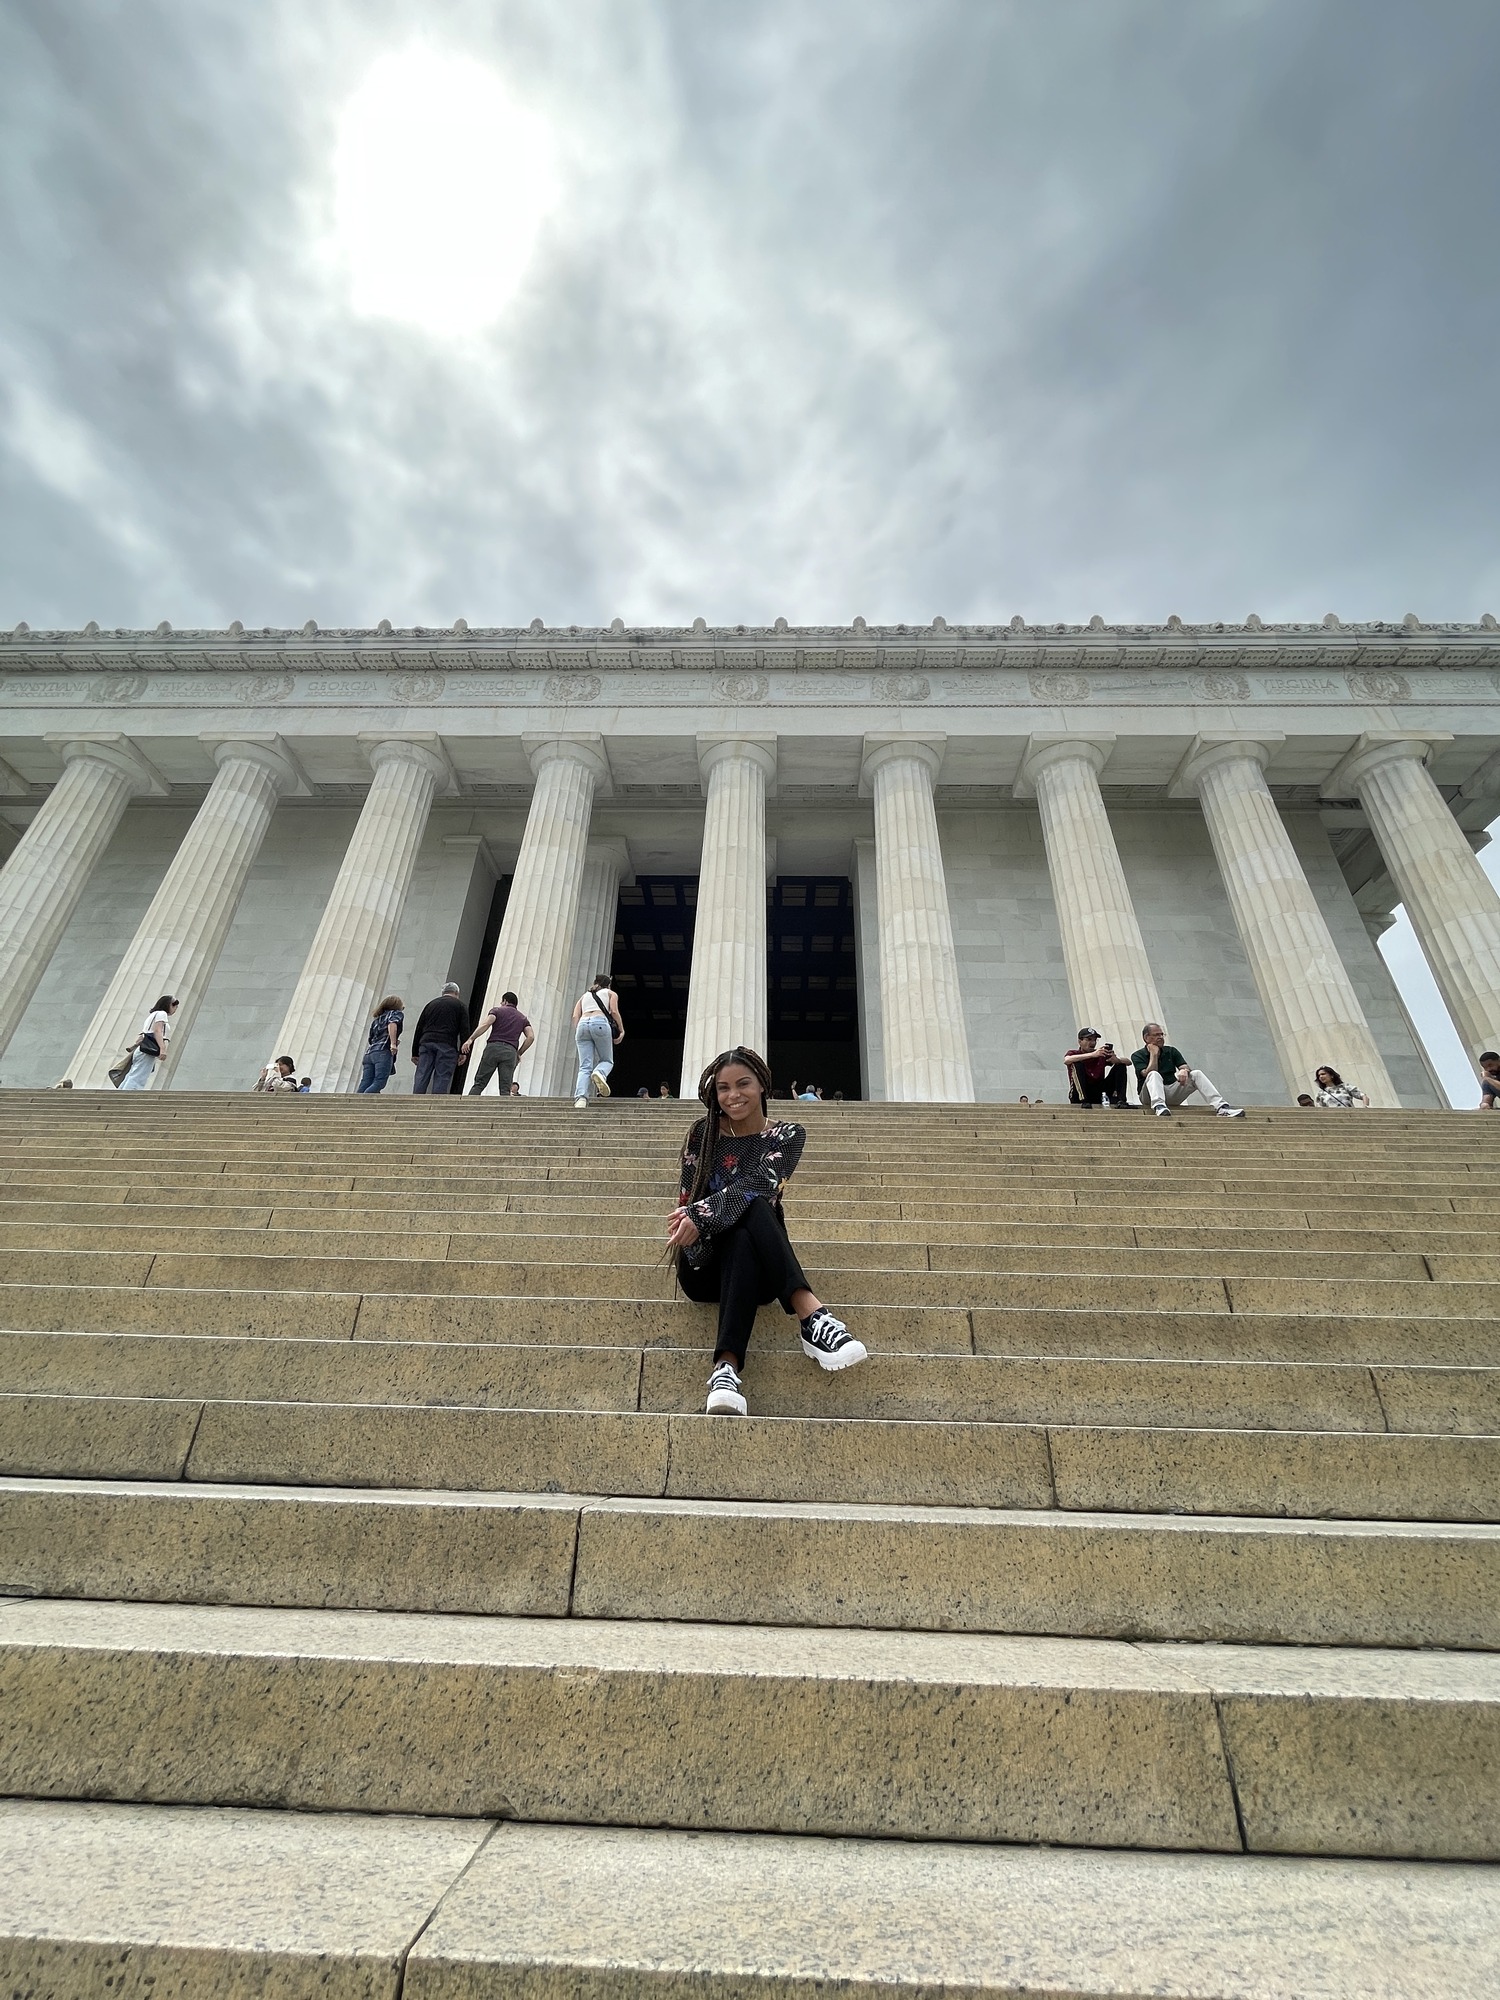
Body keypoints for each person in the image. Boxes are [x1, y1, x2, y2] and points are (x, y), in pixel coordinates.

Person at [667, 1046, 867, 1417]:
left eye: (743, 1084)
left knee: (753, 1206)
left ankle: (726, 1370)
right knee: (750, 1204)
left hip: (757, 1274)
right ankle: (811, 1316)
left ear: (762, 1086)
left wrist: (702, 1215)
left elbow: (759, 1183)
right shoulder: (702, 1134)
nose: (733, 1096)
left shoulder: (788, 1136)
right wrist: (694, 1220)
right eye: (723, 1088)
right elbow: (686, 1210)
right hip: (702, 1266)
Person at [1130, 1023, 1244, 1118]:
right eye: (1156, 1035)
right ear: (1146, 1038)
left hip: (1171, 1091)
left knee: (1196, 1073)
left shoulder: (1171, 1051)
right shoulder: (1137, 1055)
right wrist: (1153, 1054)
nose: (1160, 1037)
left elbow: (1185, 1066)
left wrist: (1184, 1070)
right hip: (1148, 1097)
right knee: (1154, 1074)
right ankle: (1159, 1106)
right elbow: (1147, 1074)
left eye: (1161, 1034)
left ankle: (1222, 1107)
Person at [462, 990, 534, 1097]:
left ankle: (466, 1107)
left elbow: (486, 1024)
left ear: (505, 1001)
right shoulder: (522, 1018)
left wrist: (471, 1039)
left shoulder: (497, 1011)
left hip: (493, 1048)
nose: (501, 1004)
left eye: (502, 1002)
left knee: (479, 1083)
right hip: (510, 1052)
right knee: (505, 1089)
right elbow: (531, 1037)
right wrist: (519, 1053)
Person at [572, 973, 623, 1107]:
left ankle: (581, 1099)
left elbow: (575, 1015)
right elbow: (614, 1012)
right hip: (600, 1022)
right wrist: (621, 1030)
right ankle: (599, 1072)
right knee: (607, 1060)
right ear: (608, 984)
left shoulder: (584, 996)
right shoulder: (611, 993)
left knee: (584, 1066)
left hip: (582, 1025)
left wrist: (580, 1030)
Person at [411, 982, 470, 1096]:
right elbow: (464, 1029)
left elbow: (419, 1028)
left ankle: (416, 1099)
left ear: (443, 993)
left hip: (426, 1042)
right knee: (442, 1075)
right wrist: (464, 1051)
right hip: (447, 1044)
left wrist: (415, 1052)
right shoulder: (460, 1006)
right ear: (457, 993)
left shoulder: (431, 1004)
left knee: (422, 1074)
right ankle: (436, 1102)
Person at [118, 995, 178, 1090]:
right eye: (174, 1006)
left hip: (142, 1048)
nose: (175, 1010)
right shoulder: (162, 1014)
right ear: (169, 1005)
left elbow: (141, 1036)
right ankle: (127, 1097)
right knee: (139, 1077)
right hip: (148, 1050)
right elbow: (157, 1031)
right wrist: (162, 1049)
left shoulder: (152, 1015)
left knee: (133, 1074)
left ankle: (121, 1094)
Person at [1064, 1029, 1128, 1108]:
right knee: (1077, 1064)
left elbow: (1128, 1062)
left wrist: (1117, 1060)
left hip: (1099, 1092)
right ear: (1080, 1041)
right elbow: (1067, 1060)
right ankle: (1084, 1100)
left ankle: (1122, 1101)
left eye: (1095, 1040)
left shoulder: (1100, 1054)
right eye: (1089, 1039)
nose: (1093, 1043)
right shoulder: (1074, 1053)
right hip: (1079, 1093)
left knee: (1120, 1066)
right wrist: (1092, 1055)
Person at [359, 996, 403, 1094]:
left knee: (366, 1081)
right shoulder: (395, 1013)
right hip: (383, 1051)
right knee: (379, 1082)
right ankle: (364, 1101)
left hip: (370, 1053)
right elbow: (392, 1024)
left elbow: (371, 1038)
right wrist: (393, 1043)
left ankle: (355, 1103)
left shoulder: (376, 1020)